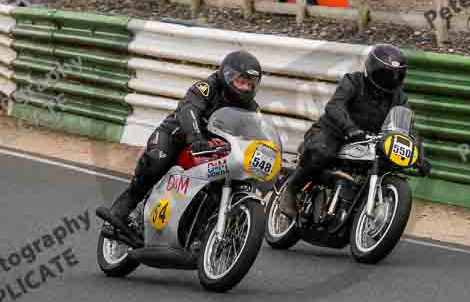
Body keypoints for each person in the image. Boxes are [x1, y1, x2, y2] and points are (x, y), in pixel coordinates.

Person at [102, 50, 263, 229]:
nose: (245, 88)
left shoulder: (252, 110)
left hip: (213, 150)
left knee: (233, 181)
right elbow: (189, 109)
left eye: (250, 84)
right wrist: (196, 138)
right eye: (241, 81)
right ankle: (120, 211)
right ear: (228, 76)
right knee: (156, 161)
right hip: (177, 136)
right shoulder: (207, 87)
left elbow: (259, 135)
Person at [280, 44, 431, 217]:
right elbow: (334, 106)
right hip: (334, 132)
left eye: (396, 76)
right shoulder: (353, 81)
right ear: (372, 68)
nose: (390, 80)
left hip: (370, 140)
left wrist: (419, 155)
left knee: (388, 165)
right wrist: (349, 128)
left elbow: (408, 127)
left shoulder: (399, 98)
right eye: (385, 74)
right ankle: (291, 189)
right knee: (321, 152)